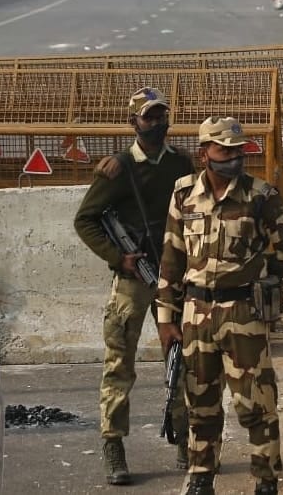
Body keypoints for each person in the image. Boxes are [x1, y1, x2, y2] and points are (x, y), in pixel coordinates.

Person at [157, 117, 283, 495]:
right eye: (224, 151)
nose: (233, 158)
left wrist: (252, 270)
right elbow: (171, 256)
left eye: (238, 151)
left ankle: (265, 478)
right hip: (195, 312)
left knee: (256, 401)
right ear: (205, 153)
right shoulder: (183, 194)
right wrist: (165, 318)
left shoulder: (260, 196)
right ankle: (201, 475)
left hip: (243, 312)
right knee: (199, 402)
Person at [74, 88, 193, 485]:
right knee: (119, 364)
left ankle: (183, 438)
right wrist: (117, 256)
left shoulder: (181, 164)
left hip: (174, 277)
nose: (157, 123)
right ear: (134, 123)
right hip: (134, 277)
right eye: (148, 117)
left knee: (180, 359)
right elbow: (85, 219)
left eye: (161, 116)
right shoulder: (118, 168)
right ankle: (113, 445)